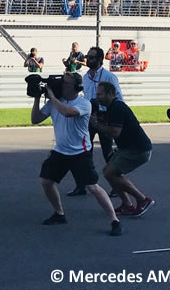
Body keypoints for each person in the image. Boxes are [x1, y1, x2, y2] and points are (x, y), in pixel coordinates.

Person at [31, 72, 122, 236]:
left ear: (75, 87)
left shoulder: (84, 103)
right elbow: (35, 119)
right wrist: (38, 97)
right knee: (46, 181)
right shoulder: (55, 103)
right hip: (60, 151)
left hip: (80, 152)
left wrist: (51, 95)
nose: (61, 85)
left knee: (93, 187)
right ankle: (59, 213)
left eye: (65, 83)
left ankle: (114, 220)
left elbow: (67, 112)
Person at [91, 81, 154, 217]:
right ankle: (127, 204)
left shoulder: (117, 108)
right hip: (128, 148)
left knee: (110, 173)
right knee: (108, 171)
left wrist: (95, 124)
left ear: (110, 94)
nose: (97, 97)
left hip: (138, 149)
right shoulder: (112, 108)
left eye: (100, 94)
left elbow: (114, 132)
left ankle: (142, 199)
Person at [68, 46, 125, 197]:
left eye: (91, 57)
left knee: (108, 152)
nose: (88, 59)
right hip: (88, 116)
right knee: (83, 151)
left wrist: (114, 116)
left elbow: (119, 98)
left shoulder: (109, 76)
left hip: (105, 116)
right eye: (88, 56)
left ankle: (117, 184)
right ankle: (82, 185)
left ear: (99, 60)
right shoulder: (85, 77)